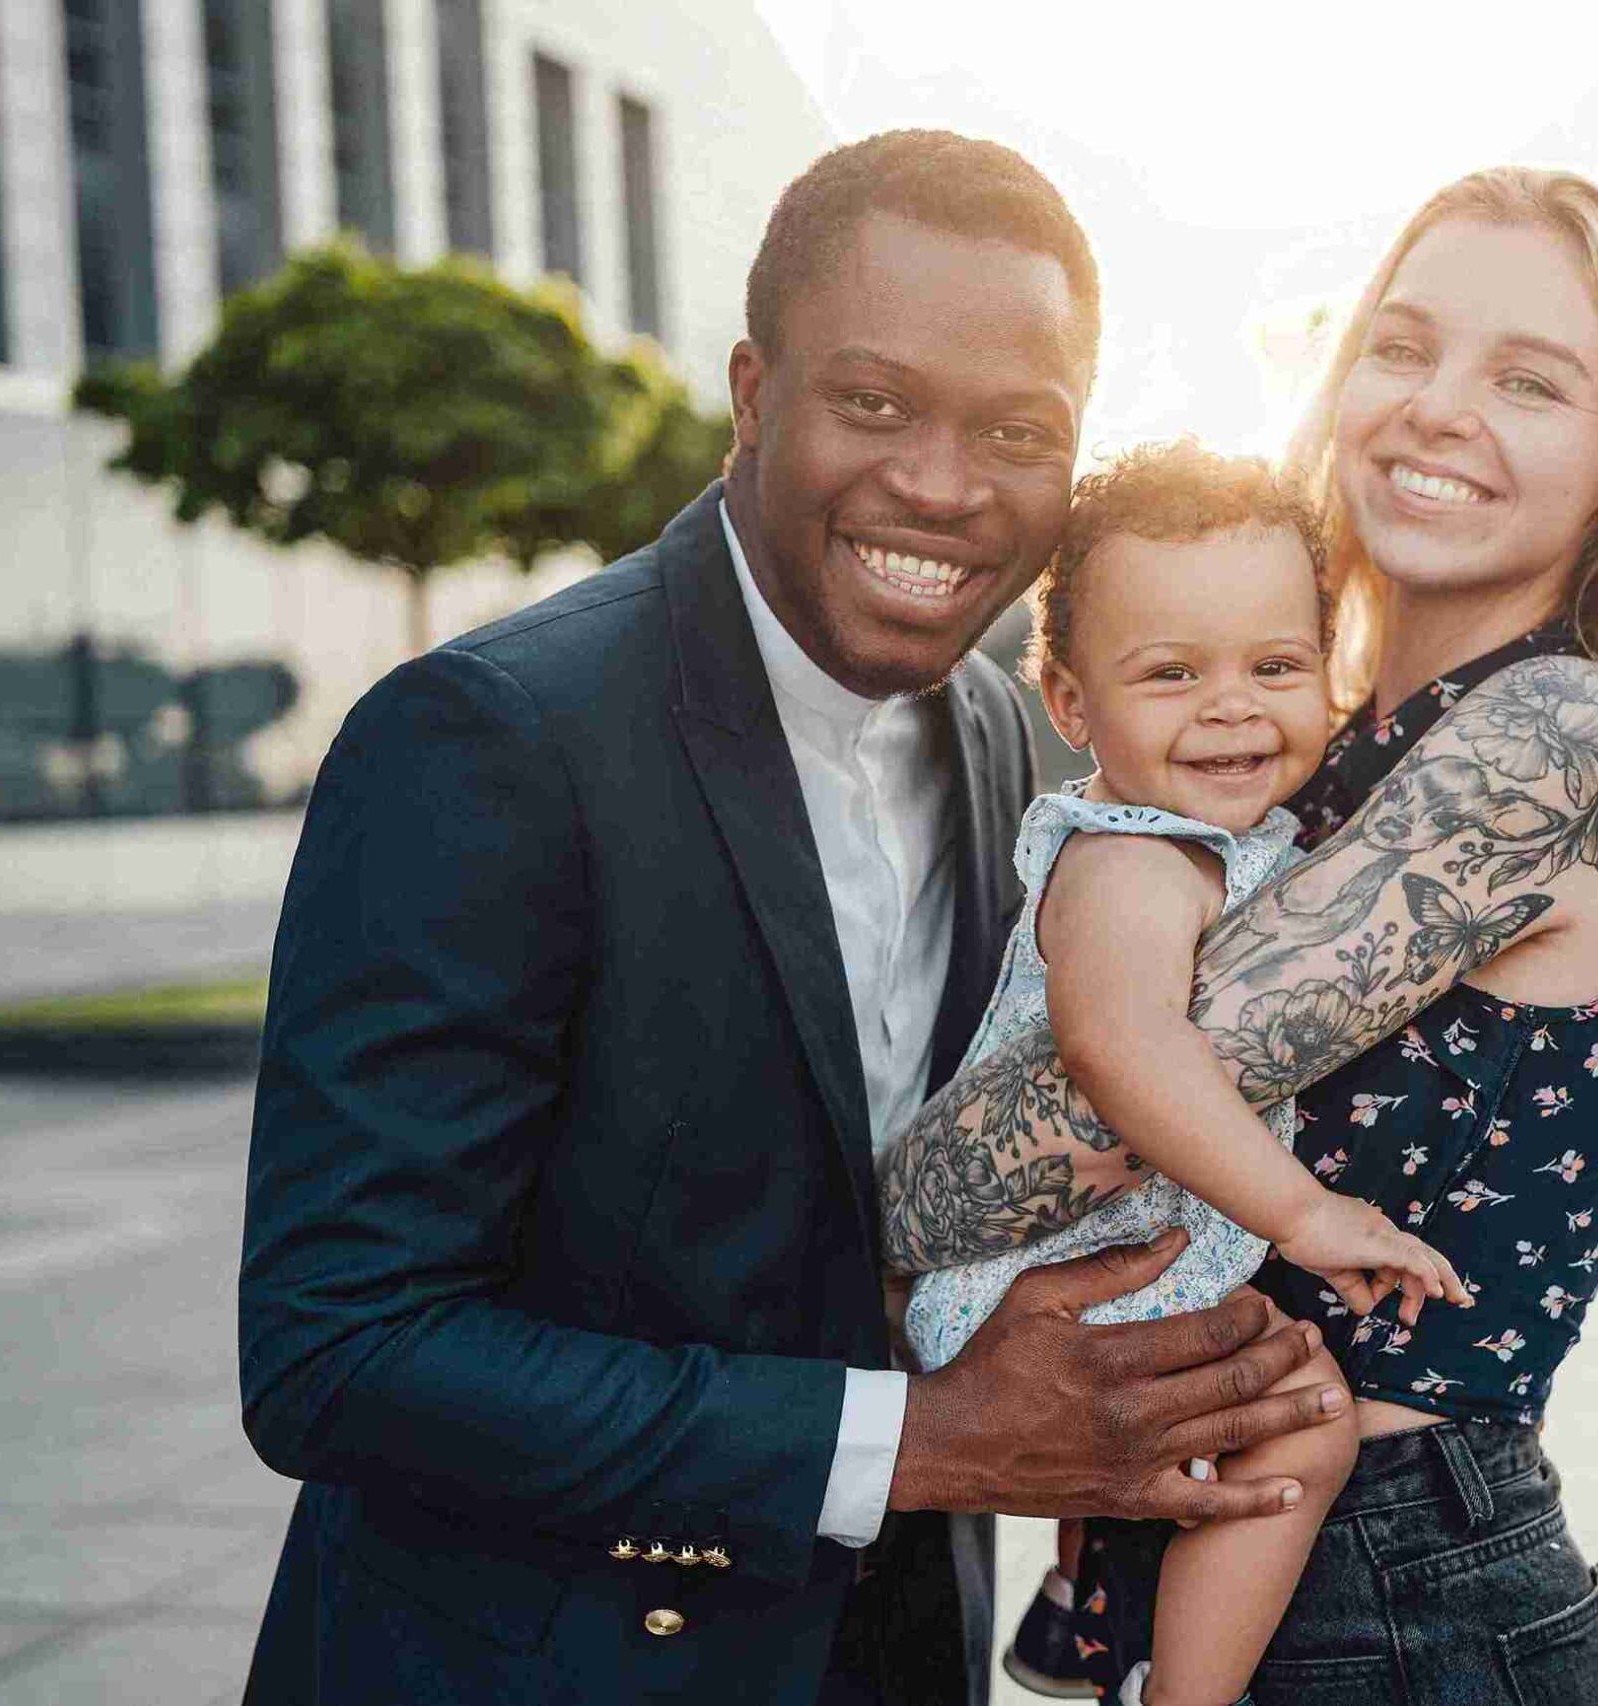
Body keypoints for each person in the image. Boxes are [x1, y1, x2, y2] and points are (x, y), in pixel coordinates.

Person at [236, 131, 1348, 1706]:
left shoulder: (1028, 747)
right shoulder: (486, 737)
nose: (944, 486)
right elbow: (336, 1352)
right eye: (876, 404)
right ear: (756, 397)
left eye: (1017, 429)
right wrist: (926, 1436)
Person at [882, 166, 1598, 1705]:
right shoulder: (1307, 738)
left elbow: (1077, 1106)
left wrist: (881, 1239)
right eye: (1403, 348)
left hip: (1395, 1596)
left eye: (1529, 379)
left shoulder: (1551, 737)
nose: (1439, 407)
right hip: (1262, 1550)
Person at [896, 442, 1472, 1706]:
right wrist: (1303, 1211)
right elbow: (1119, 1048)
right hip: (1047, 1279)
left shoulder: (1227, 838)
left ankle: (1071, 1602)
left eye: (1275, 666)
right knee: (1302, 1414)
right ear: (1070, 706)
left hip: (1109, 1252)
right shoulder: (1129, 861)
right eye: (1170, 674)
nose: (1230, 706)